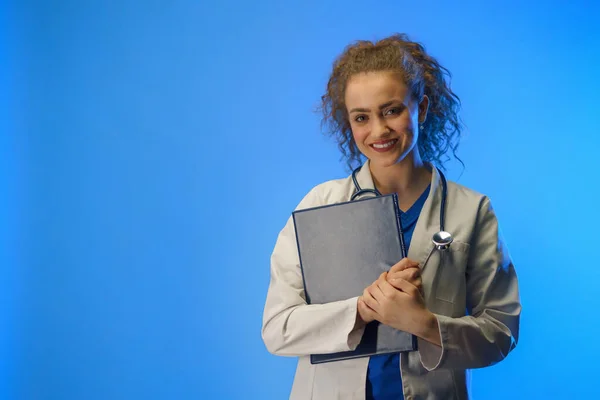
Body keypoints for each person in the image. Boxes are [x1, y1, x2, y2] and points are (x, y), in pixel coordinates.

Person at [261, 33, 521, 400]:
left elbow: (501, 332)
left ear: (423, 108)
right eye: (361, 117)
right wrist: (362, 309)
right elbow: (278, 328)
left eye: (392, 110)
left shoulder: (472, 211)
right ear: (348, 123)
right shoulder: (319, 204)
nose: (379, 130)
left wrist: (425, 324)